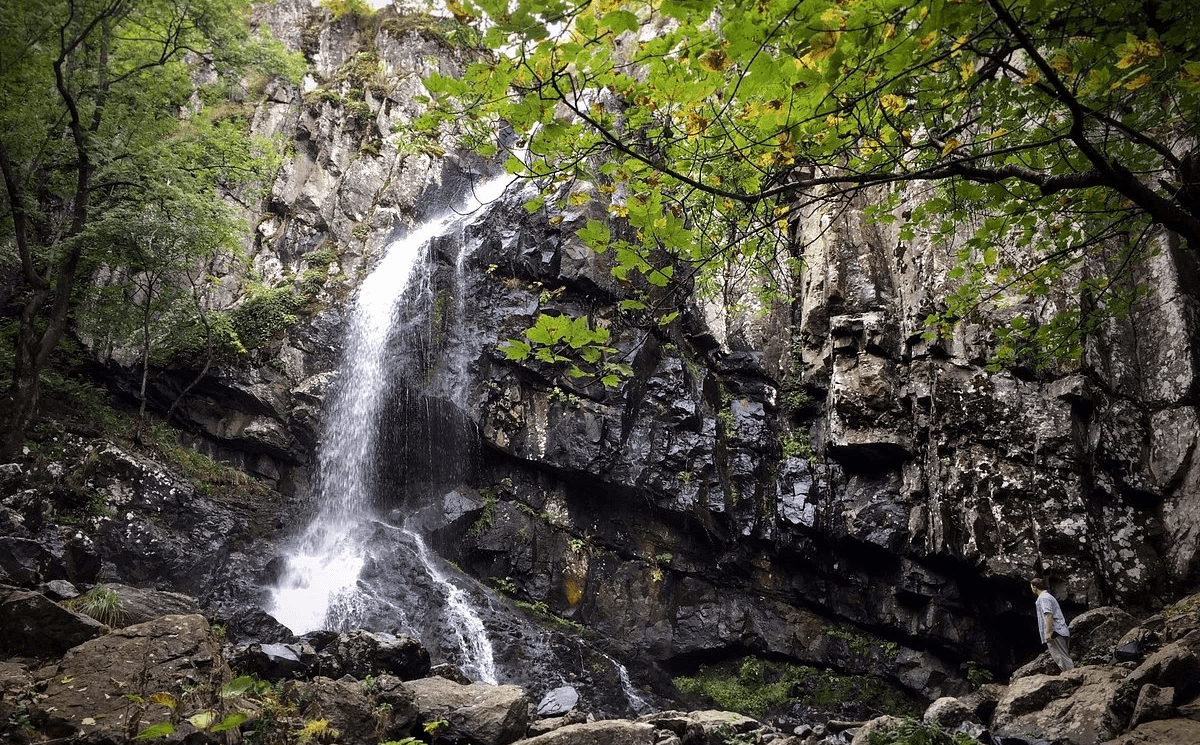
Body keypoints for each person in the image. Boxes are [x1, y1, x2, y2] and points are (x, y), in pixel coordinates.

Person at [1030, 577, 1074, 671]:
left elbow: (1049, 615)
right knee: (1062, 657)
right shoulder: (1046, 597)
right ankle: (1072, 677)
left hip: (1055, 632)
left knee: (1061, 658)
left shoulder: (1044, 598)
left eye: (1031, 587)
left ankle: (1073, 677)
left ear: (1035, 587)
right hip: (1059, 630)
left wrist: (1048, 632)